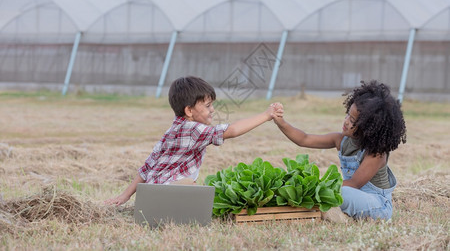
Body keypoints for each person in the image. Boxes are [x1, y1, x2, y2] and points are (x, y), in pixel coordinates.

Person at [105, 76, 279, 206]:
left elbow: (147, 167)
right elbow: (232, 130)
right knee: (192, 186)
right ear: (189, 111)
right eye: (207, 105)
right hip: (162, 196)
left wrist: (125, 196)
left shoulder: (173, 130)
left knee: (194, 185)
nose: (212, 110)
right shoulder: (193, 130)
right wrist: (266, 115)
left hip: (150, 195)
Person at [272, 80, 406, 220]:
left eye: (353, 120)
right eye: (348, 114)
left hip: (377, 206)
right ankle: (342, 215)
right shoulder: (341, 140)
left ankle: (340, 215)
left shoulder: (376, 154)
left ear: (369, 128)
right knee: (338, 193)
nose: (346, 121)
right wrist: (281, 122)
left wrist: (316, 187)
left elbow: (354, 184)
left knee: (343, 192)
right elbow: (304, 139)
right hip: (354, 197)